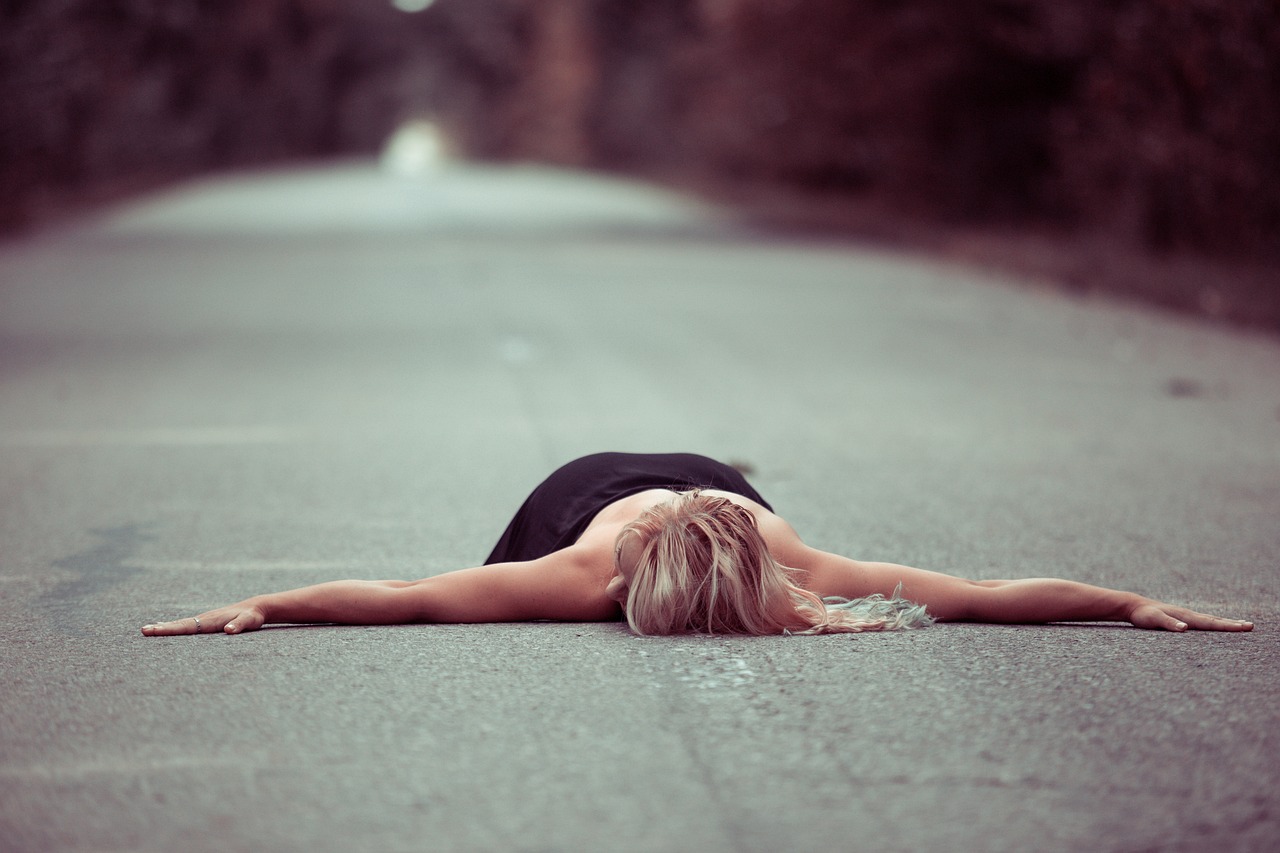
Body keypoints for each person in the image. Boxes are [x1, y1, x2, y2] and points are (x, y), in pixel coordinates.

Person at [140, 452, 1254, 637]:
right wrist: (269, 605)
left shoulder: (803, 566)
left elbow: (986, 592)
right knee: (465, 590)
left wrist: (1127, 601)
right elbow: (407, 595)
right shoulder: (575, 570)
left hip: (718, 489)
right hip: (587, 488)